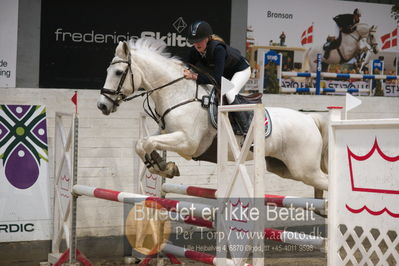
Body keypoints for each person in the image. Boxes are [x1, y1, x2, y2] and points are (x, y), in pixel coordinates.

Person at [183, 20, 251, 105]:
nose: (196, 45)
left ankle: (244, 118)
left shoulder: (218, 49)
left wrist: (194, 76)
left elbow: (216, 79)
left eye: (199, 40)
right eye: (194, 42)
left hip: (241, 70)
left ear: (207, 39)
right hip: (225, 74)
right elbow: (186, 67)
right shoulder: (194, 51)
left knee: (229, 94)